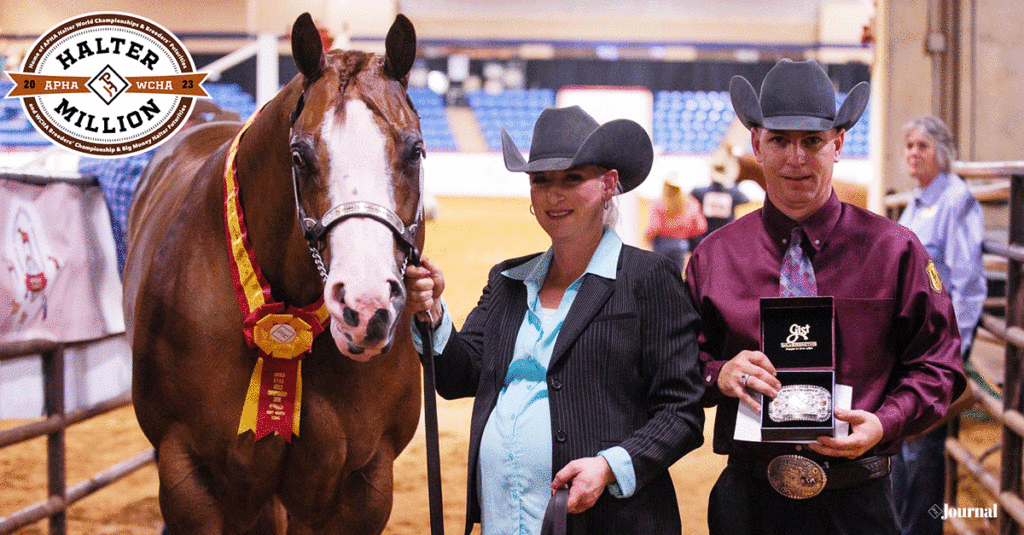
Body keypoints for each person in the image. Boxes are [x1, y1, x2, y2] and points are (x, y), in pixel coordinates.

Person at [684, 59, 967, 534]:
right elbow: (677, 363)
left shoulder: (894, 251)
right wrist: (719, 372)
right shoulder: (715, 257)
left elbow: (940, 366)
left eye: (812, 141)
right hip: (749, 501)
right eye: (779, 140)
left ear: (837, 144)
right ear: (756, 144)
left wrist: (886, 421)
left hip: (858, 502)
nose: (796, 158)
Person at [405, 105, 705, 535]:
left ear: (609, 185)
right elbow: (459, 377)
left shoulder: (647, 278)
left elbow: (682, 409)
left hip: (608, 521)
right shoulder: (508, 280)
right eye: (540, 181)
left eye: (571, 178)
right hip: (504, 517)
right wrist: (432, 311)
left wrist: (609, 467)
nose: (553, 194)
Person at [891, 116, 986, 535]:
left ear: (941, 152)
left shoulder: (956, 200)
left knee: (924, 450)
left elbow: (968, 284)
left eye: (923, 146)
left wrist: (954, 353)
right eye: (909, 145)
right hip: (909, 345)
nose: (913, 153)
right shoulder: (917, 201)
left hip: (935, 348)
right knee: (905, 447)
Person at [688, 145, 749, 250]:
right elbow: (745, 199)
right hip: (725, 239)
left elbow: (691, 194)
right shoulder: (734, 194)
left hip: (703, 238)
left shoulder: (700, 192)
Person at [643, 172, 707, 270]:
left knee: (660, 274)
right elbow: (701, 226)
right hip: (680, 243)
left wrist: (646, 237)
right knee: (676, 275)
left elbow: (654, 226)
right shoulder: (690, 203)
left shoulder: (658, 203)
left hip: (661, 244)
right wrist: (685, 233)